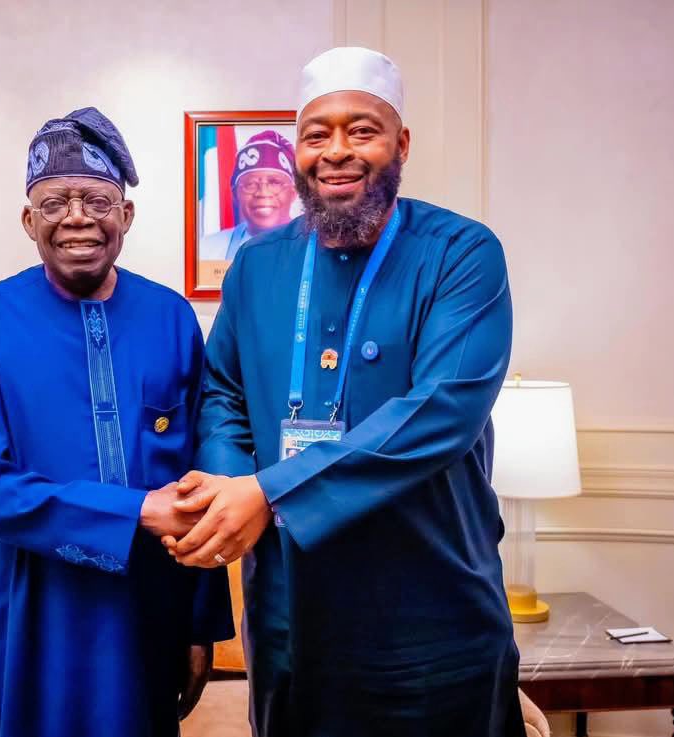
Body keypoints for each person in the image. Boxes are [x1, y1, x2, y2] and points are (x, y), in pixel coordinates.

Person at [165, 48, 526, 736]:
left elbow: (443, 410)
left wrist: (266, 492)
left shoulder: (461, 253)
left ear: (401, 144)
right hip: (288, 620)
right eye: (316, 134)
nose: (336, 151)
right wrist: (232, 486)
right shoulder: (256, 265)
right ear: (298, 150)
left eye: (362, 130)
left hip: (431, 620)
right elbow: (223, 394)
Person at [0, 107, 234, 737]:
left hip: (148, 605)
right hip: (31, 607)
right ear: (29, 221)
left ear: (125, 215)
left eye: (98, 200)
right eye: (54, 202)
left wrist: (201, 625)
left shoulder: (171, 318)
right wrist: (137, 511)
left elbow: (200, 473)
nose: (77, 217)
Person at [199, 130, 298, 261]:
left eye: (274, 182)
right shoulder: (205, 250)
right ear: (235, 194)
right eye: (250, 184)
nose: (263, 193)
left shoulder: (317, 247)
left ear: (293, 192)